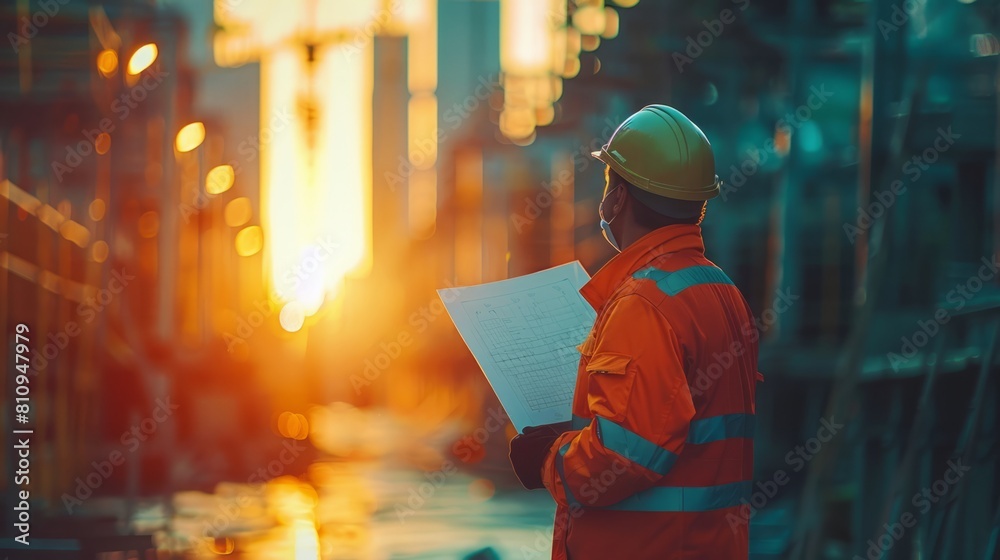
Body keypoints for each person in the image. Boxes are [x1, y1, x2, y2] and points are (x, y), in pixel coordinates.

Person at [509, 105, 762, 559]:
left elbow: (624, 456)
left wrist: (549, 459)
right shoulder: (721, 291)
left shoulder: (642, 304)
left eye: (608, 182)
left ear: (619, 198)